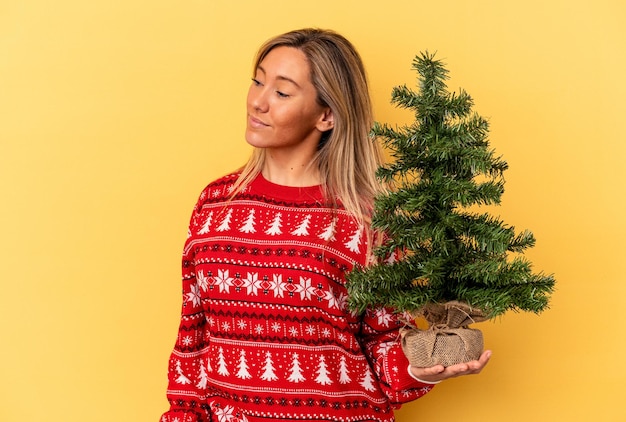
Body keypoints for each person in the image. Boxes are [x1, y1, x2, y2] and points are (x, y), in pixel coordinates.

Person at [160, 28, 490, 422]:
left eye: (281, 92)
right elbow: (193, 339)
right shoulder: (216, 203)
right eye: (257, 81)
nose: (258, 102)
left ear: (326, 115)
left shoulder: (366, 218)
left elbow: (384, 338)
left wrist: (420, 369)